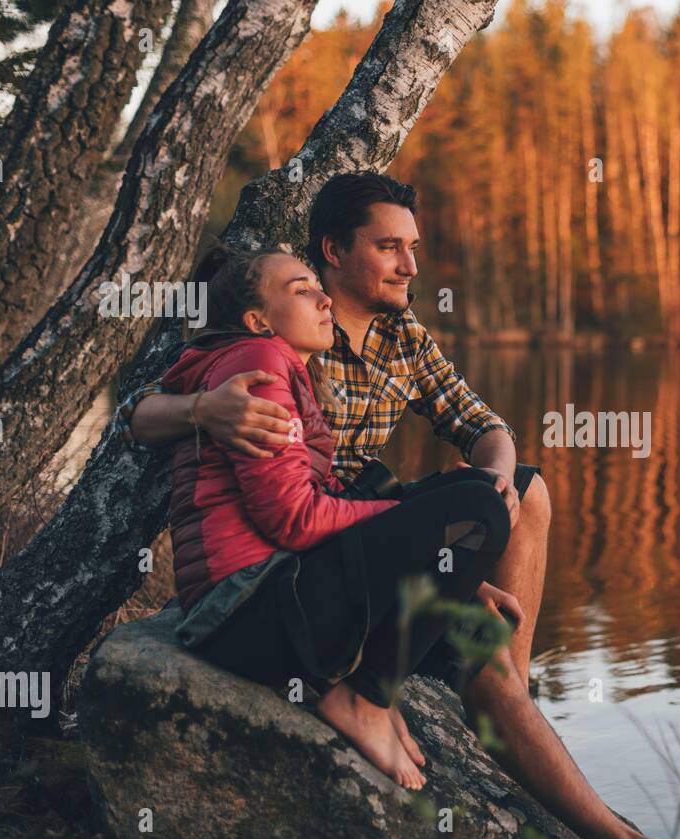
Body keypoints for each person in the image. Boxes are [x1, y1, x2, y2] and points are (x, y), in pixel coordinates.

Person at [118, 173, 680, 839]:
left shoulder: (401, 338)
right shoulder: (275, 330)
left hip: (354, 523)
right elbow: (142, 410)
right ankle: (471, 715)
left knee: (523, 492)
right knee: (464, 521)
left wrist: (492, 485)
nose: (412, 265)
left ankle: (547, 748)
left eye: (415, 247)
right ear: (335, 251)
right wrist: (202, 409)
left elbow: (481, 423)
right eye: (392, 247)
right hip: (317, 546)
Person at [163, 243, 514, 791]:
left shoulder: (276, 365)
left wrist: (419, 529)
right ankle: (366, 696)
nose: (325, 299)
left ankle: (366, 687)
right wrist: (407, 520)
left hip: (263, 597)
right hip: (244, 612)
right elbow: (295, 521)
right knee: (477, 509)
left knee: (473, 492)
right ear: (257, 320)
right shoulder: (257, 366)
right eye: (302, 291)